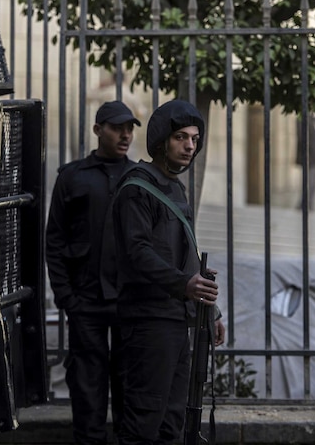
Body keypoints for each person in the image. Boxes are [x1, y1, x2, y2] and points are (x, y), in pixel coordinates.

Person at [111, 99, 226, 445]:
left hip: (176, 320)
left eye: (194, 138)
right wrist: (185, 285)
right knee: (142, 424)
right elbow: (138, 253)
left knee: (172, 424)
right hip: (147, 322)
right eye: (180, 137)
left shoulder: (175, 187)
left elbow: (186, 255)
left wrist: (211, 310)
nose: (190, 146)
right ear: (162, 140)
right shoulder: (137, 187)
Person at [45, 100, 142, 445]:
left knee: (131, 386)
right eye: (118, 128)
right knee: (87, 388)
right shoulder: (73, 177)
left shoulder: (139, 178)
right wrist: (67, 297)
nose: (126, 135)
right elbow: (53, 241)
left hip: (129, 302)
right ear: (98, 130)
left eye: (130, 128)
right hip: (86, 301)